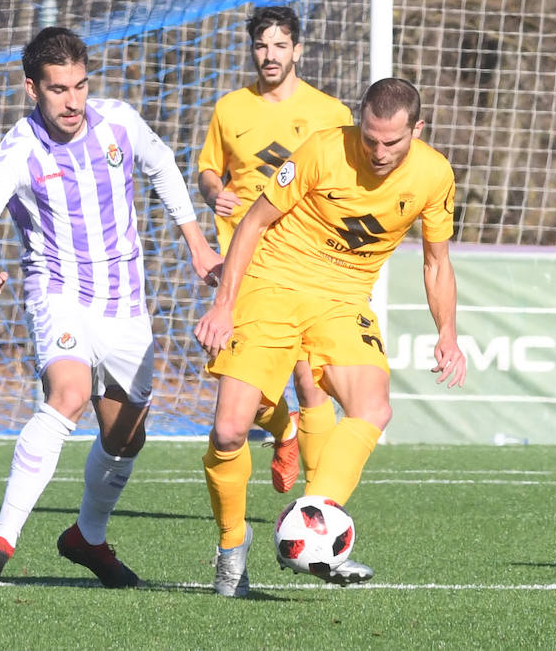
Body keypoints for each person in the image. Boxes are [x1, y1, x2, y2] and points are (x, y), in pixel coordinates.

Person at [0, 27, 221, 589]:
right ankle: (1, 541)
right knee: (68, 397)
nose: (72, 101)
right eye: (58, 89)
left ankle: (87, 539)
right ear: (32, 89)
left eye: (80, 86)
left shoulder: (117, 121)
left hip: (125, 305)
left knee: (127, 437)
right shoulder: (20, 148)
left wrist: (196, 242)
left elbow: (163, 165)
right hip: (58, 294)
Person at [194, 77, 467, 597]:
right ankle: (232, 546)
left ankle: (312, 526)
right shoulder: (323, 149)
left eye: (392, 142)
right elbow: (252, 223)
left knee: (373, 408)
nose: (379, 151)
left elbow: (437, 262)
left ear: (418, 129)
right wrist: (224, 305)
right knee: (230, 431)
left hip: (343, 299)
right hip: (272, 282)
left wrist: (447, 334)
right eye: (369, 138)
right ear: (359, 124)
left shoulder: (435, 174)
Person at [197, 5, 354, 494]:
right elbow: (208, 169)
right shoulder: (230, 109)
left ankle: (318, 503)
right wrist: (211, 191)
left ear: (297, 50)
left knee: (310, 380)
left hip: (306, 263)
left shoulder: (331, 114)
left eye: (280, 45)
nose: (270, 55)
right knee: (245, 387)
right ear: (252, 50)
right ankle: (283, 429)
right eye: (262, 45)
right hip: (244, 263)